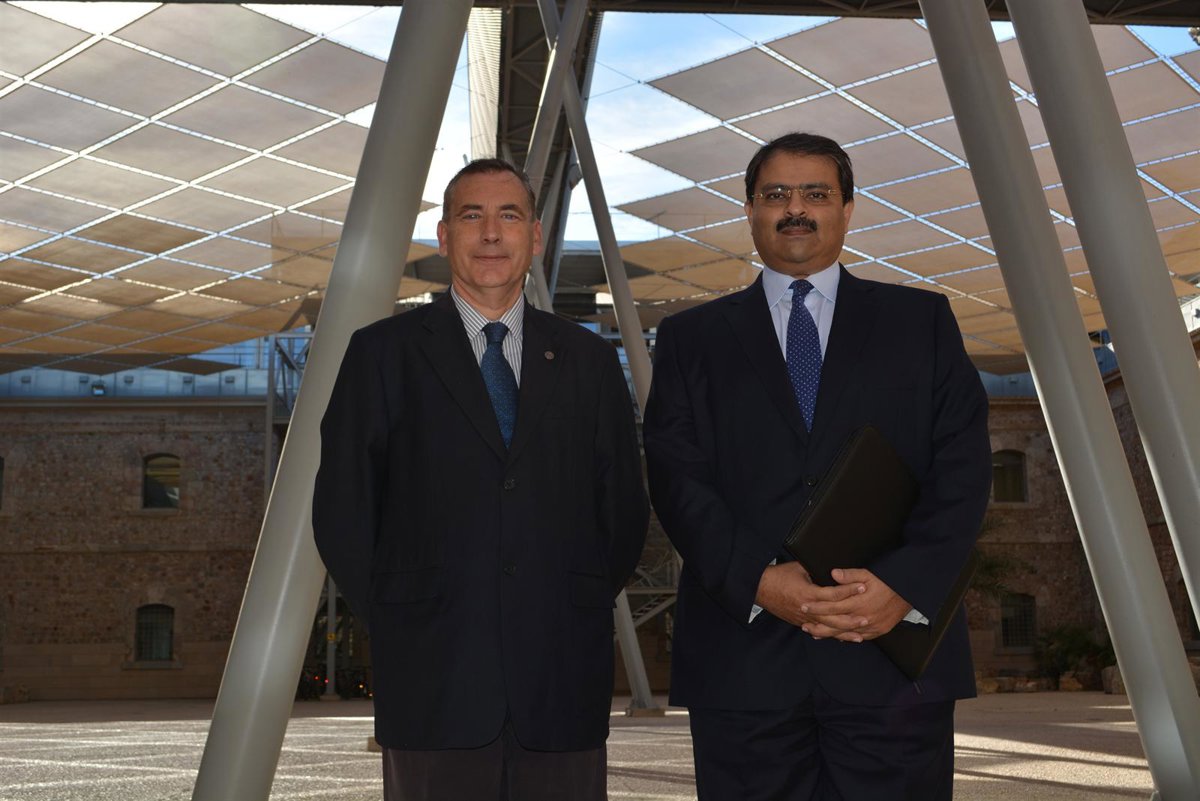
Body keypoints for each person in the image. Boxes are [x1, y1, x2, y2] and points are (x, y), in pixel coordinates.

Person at [642, 132, 991, 800]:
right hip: (744, 666)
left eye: (816, 194)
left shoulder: (922, 321)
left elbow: (964, 467)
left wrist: (903, 585)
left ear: (847, 209)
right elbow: (677, 478)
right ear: (749, 209)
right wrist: (757, 580)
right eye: (776, 194)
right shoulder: (691, 339)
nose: (795, 209)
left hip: (890, 661)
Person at [313, 158, 649, 801]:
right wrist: (401, 618)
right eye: (472, 216)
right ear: (444, 237)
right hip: (431, 674)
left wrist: (565, 604)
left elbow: (623, 512)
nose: (491, 233)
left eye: (509, 215)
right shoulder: (381, 354)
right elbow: (342, 509)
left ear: (536, 236)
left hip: (561, 674)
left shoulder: (589, 360)